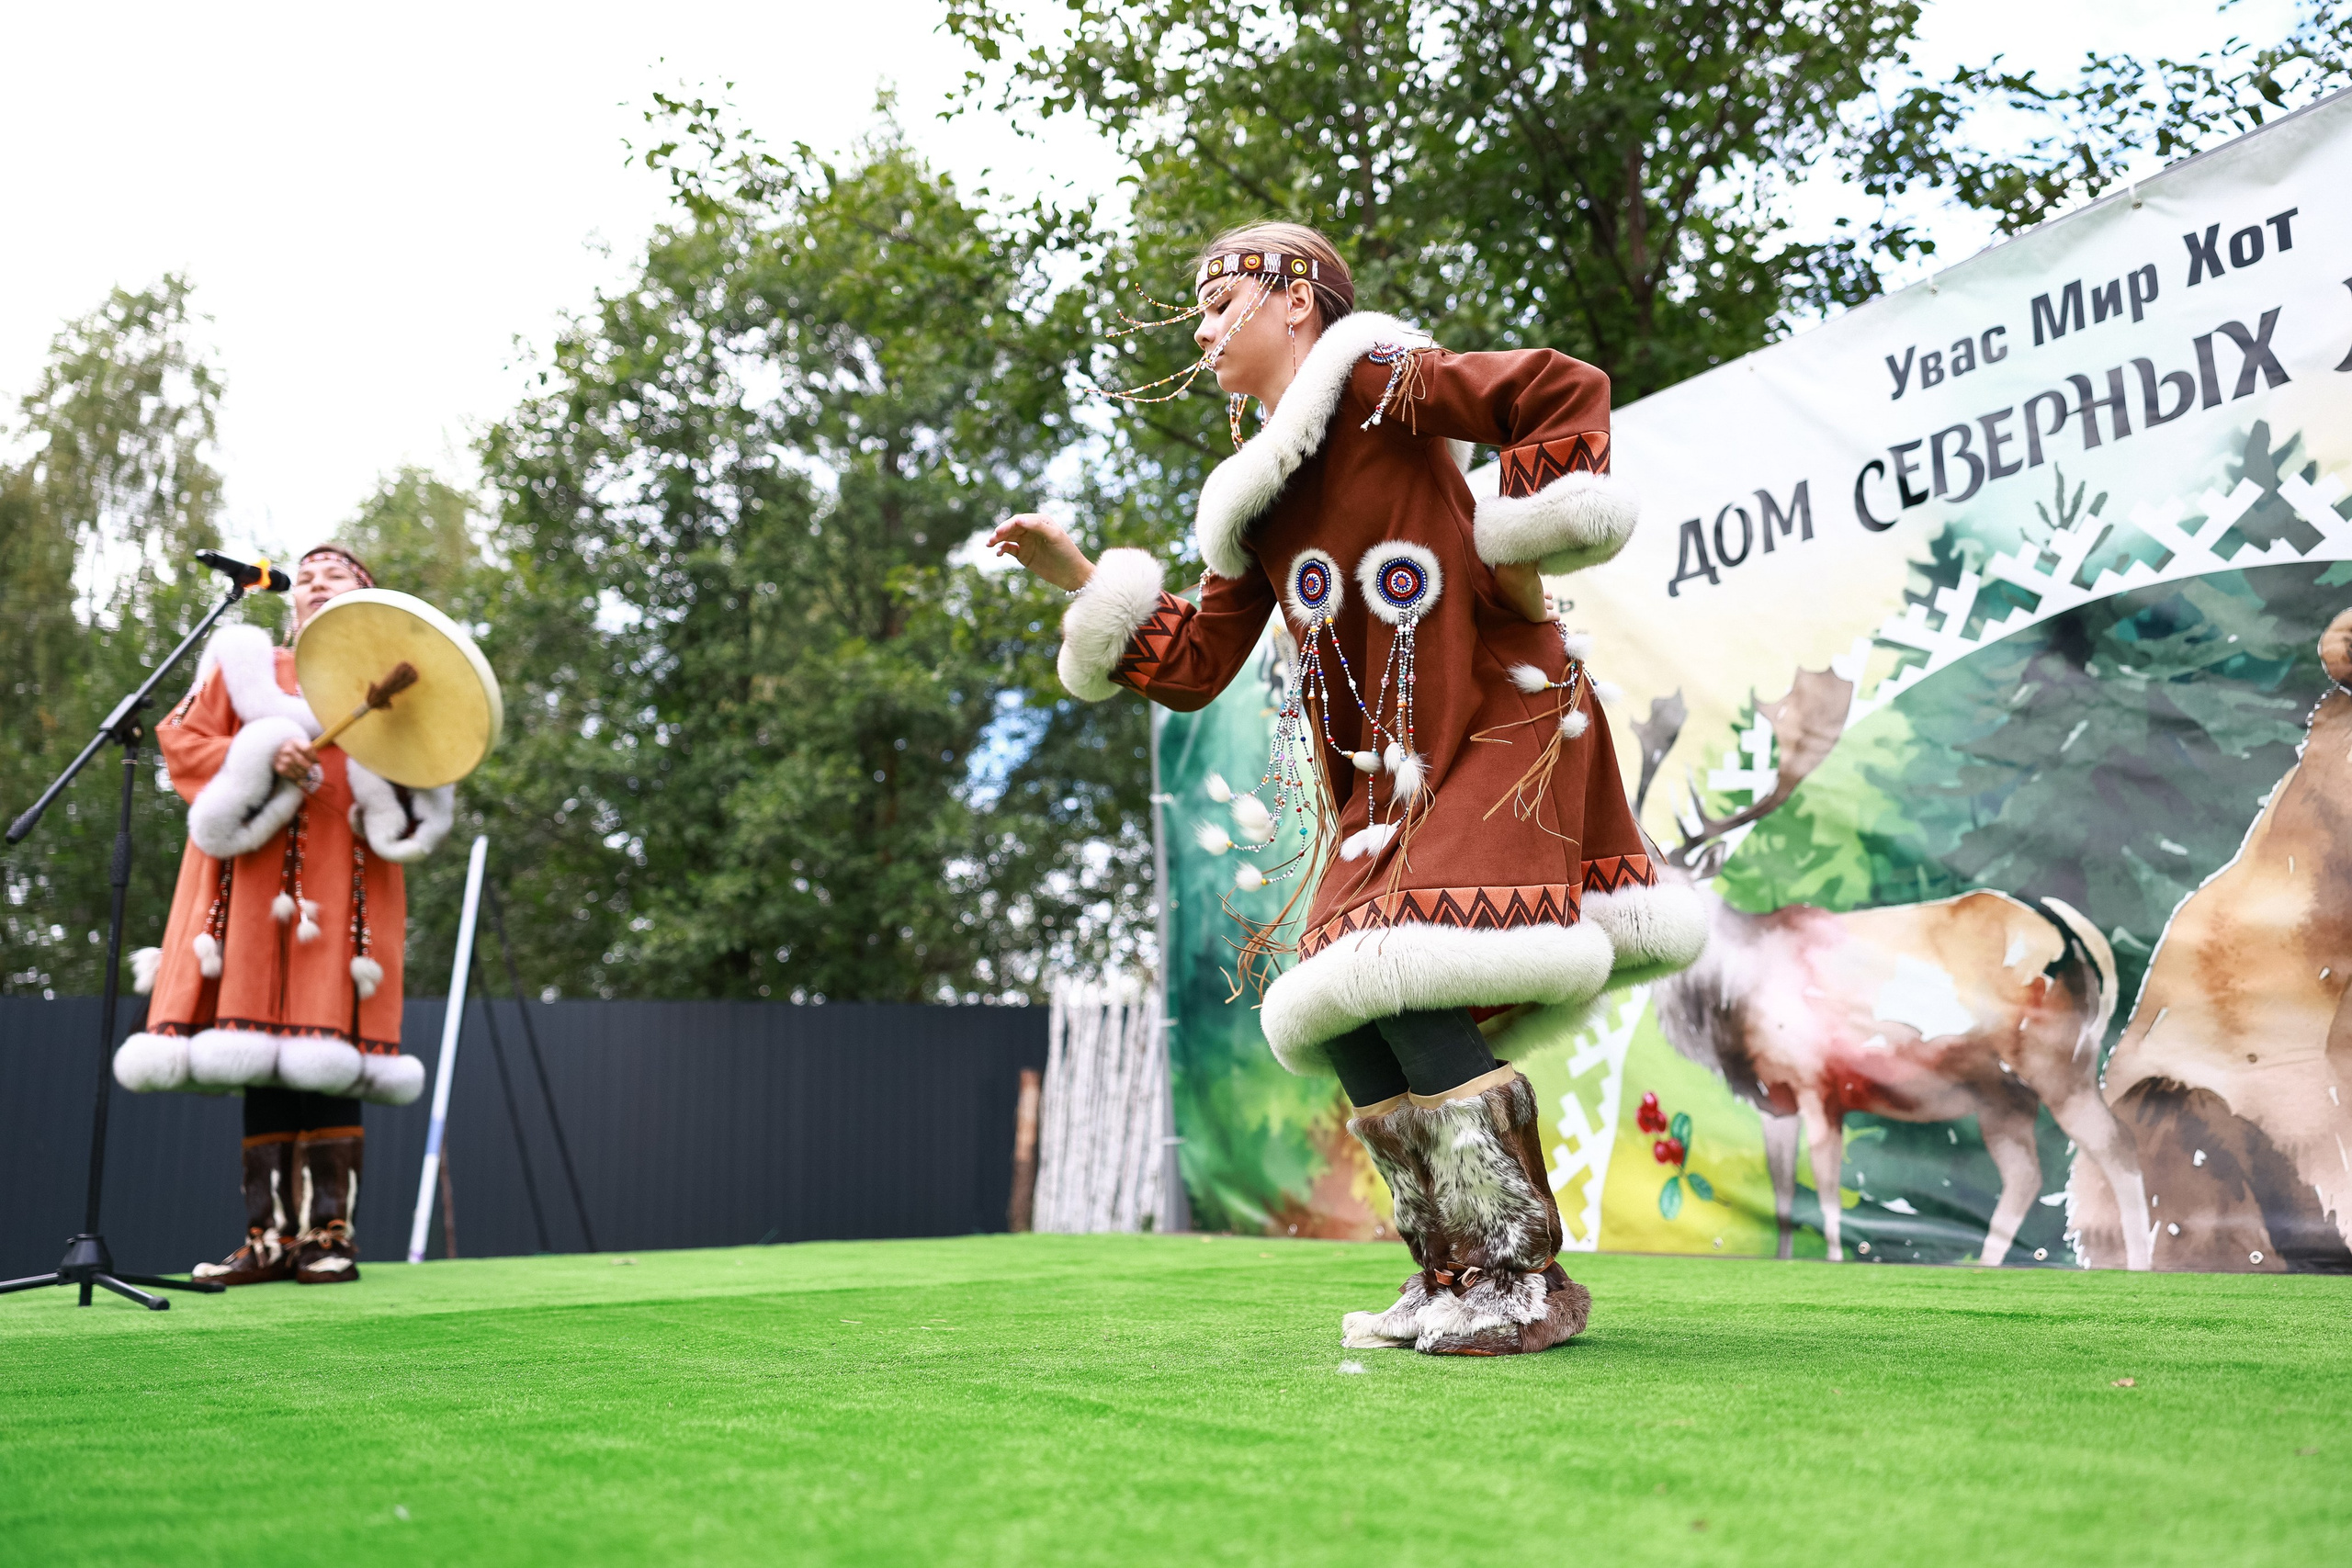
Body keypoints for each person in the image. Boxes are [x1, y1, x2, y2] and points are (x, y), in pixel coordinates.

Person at [990, 222, 1705, 1355]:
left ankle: (1522, 1283)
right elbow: (1192, 664)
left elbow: (1555, 388)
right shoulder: (1252, 501)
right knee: (1353, 1027)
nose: (1205, 326)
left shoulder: (1380, 379)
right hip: (1386, 785)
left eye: (1224, 301)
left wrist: (1518, 544)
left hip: (1494, 721)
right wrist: (1081, 579)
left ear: (1295, 301)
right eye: (1200, 308)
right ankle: (1450, 1272)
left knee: (1409, 986)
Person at [113, 544, 455, 1285]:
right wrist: (260, 755)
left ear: (369, 596)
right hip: (252, 886)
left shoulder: (394, 688)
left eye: (339, 576)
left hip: (345, 888)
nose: (318, 584)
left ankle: (329, 1236)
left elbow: (427, 775)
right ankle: (265, 1239)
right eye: (308, 578)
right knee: (257, 1050)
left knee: (323, 1054)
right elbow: (183, 741)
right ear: (290, 601)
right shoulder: (245, 666)